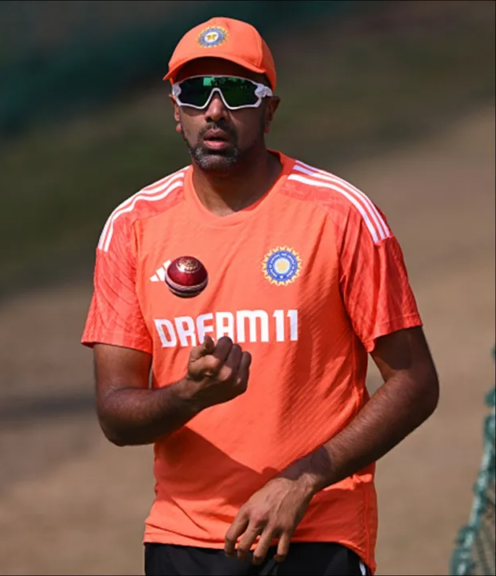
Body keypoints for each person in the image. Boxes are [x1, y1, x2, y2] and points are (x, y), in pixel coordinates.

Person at [81, 16, 439, 576]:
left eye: (239, 92)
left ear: (270, 109)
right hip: (184, 537)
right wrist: (188, 395)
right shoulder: (132, 226)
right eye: (196, 93)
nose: (216, 110)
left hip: (318, 528)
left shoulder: (340, 214)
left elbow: (415, 382)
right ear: (177, 113)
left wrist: (303, 479)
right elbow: (116, 416)